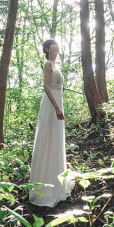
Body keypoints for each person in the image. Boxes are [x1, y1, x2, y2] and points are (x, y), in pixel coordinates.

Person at [28, 38, 73, 207]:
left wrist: (60, 107)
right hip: (50, 105)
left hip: (58, 103)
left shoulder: (57, 65)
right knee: (48, 141)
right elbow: (46, 87)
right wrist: (56, 108)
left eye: (57, 44)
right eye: (53, 44)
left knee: (56, 141)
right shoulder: (48, 64)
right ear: (47, 49)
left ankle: (57, 185)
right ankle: (45, 189)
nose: (57, 45)